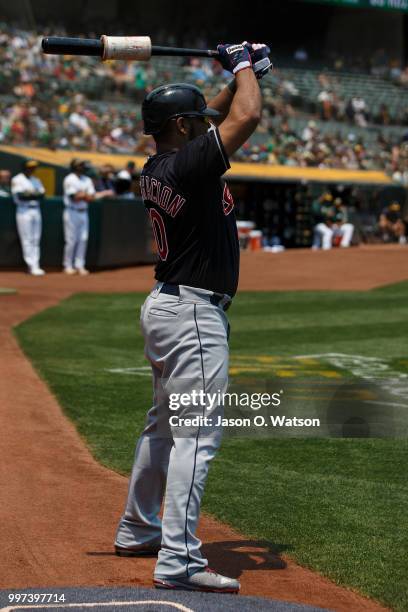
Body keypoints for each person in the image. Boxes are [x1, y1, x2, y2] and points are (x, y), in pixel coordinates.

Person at [114, 41, 269, 594]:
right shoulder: (191, 163)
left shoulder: (164, 161)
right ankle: (178, 558)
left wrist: (239, 71)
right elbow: (245, 113)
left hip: (166, 307)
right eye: (196, 119)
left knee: (162, 427)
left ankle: (137, 528)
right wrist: (245, 66)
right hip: (193, 316)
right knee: (195, 435)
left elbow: (220, 109)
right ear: (180, 125)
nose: (207, 123)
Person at [11, 160, 46, 275]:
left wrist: (30, 194)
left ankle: (36, 264)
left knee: (36, 239)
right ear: (24, 167)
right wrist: (33, 194)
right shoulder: (17, 179)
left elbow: (42, 195)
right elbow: (21, 196)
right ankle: (31, 265)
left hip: (36, 210)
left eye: (34, 167)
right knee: (27, 239)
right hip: (24, 210)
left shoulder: (36, 180)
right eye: (30, 167)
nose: (32, 169)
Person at [62, 159, 95, 275]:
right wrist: (84, 195)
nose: (84, 167)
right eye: (81, 165)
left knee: (83, 239)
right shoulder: (69, 179)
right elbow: (74, 197)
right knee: (71, 240)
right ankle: (68, 265)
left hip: (84, 212)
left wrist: (83, 194)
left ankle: (79, 265)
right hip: (72, 212)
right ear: (76, 167)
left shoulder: (87, 179)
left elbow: (91, 197)